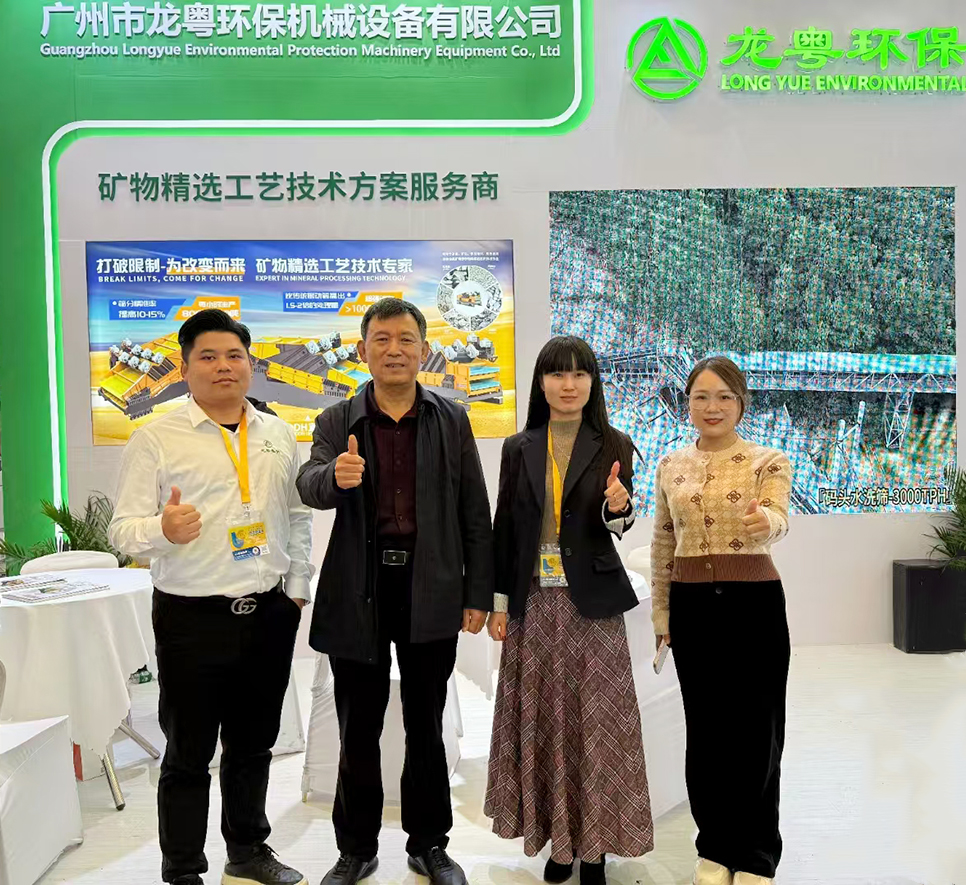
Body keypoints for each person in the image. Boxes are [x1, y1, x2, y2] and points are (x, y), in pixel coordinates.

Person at [109, 309, 313, 885]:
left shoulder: (277, 433)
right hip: (191, 616)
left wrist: (296, 591)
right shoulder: (155, 437)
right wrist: (161, 530)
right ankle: (182, 868)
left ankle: (247, 851)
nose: (224, 366)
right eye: (208, 356)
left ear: (250, 365)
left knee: (254, 745)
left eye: (234, 356)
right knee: (188, 751)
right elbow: (122, 529)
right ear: (184, 368)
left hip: (268, 612)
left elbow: (297, 516)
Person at [296, 298, 494, 885]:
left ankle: (429, 844)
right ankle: (356, 849)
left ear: (424, 350)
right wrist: (335, 477)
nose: (394, 350)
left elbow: (473, 509)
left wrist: (478, 594)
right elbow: (309, 483)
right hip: (359, 587)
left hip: (431, 584)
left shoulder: (451, 418)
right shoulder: (338, 419)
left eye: (406, 339)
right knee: (358, 726)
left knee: (425, 723)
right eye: (381, 339)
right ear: (362, 350)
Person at [484, 336, 654, 885]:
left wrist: (619, 508)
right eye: (558, 374)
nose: (569, 384)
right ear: (541, 383)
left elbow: (620, 524)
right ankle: (559, 846)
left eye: (580, 374)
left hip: (593, 607)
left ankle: (595, 850)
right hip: (534, 601)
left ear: (592, 382)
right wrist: (498, 604)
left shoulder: (615, 443)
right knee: (544, 722)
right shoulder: (519, 447)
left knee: (596, 727)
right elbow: (505, 528)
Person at [649, 356, 792, 885]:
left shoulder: (767, 460)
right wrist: (662, 613)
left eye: (724, 397)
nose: (712, 407)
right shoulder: (670, 465)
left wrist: (766, 523)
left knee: (757, 732)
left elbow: (778, 516)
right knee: (707, 734)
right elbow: (663, 541)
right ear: (687, 404)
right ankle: (714, 848)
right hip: (693, 608)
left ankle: (755, 855)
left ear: (741, 403)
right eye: (701, 397)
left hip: (754, 605)